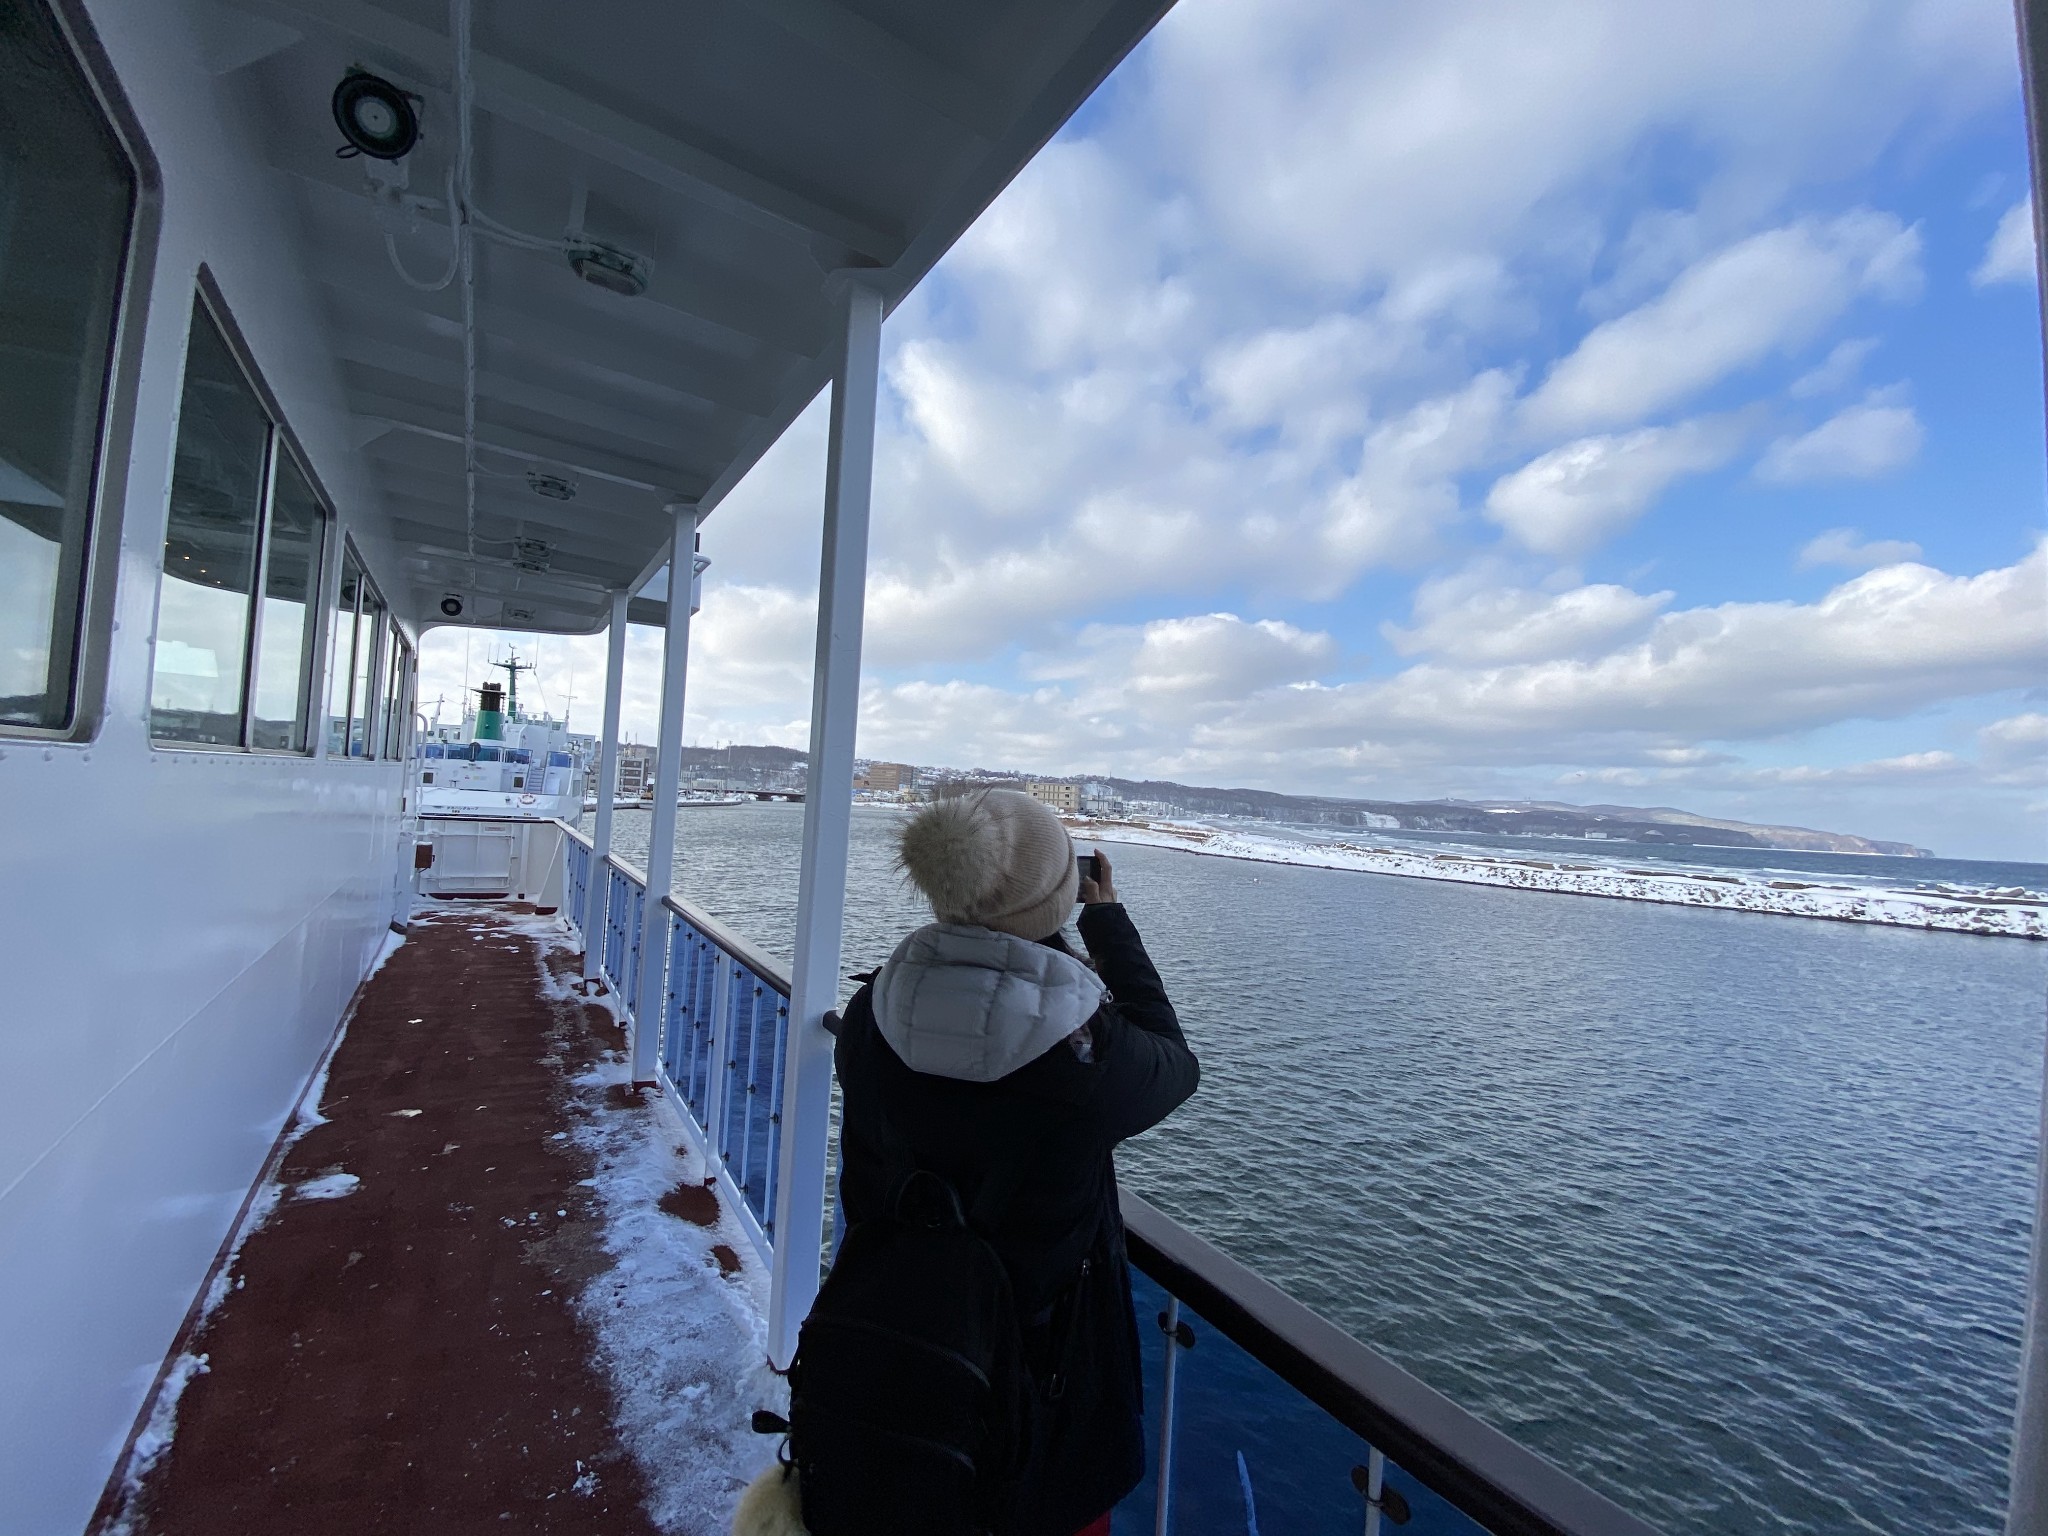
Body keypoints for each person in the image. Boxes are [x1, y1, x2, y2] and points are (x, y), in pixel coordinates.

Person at [826, 789, 1199, 1535]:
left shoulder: (872, 1013)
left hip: (887, 1350)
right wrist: (1108, 921)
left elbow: (982, 996)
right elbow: (1174, 1064)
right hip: (1038, 1391)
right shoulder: (1085, 1054)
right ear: (1054, 905)